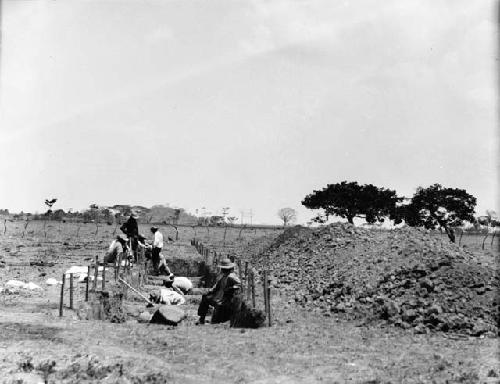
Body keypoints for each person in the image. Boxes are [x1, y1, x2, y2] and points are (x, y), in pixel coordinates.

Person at [197, 259, 241, 325]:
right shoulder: (222, 276)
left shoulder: (232, 277)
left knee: (218, 304)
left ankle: (215, 320)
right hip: (218, 295)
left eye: (223, 269)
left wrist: (231, 288)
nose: (222, 270)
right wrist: (211, 291)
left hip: (225, 298)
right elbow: (216, 286)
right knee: (205, 298)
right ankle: (202, 318)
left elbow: (239, 285)